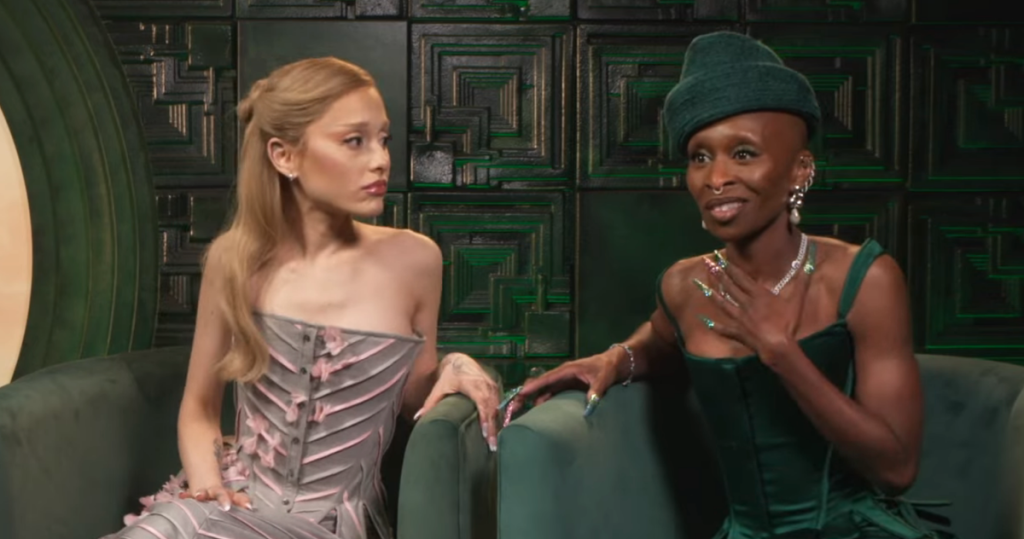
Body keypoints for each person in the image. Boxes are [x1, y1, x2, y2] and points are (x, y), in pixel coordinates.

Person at [504, 31, 954, 538]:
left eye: (743, 154)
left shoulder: (865, 278)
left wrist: (782, 354)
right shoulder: (684, 285)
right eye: (700, 157)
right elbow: (658, 344)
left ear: (799, 170)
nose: (716, 178)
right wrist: (615, 359)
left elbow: (896, 470)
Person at [103, 57, 501, 539]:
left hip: (334, 523)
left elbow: (414, 397)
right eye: (354, 141)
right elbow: (200, 407)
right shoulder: (234, 259)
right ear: (284, 156)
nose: (380, 159)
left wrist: (455, 363)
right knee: (172, 527)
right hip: (225, 508)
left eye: (383, 139)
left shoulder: (415, 260)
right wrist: (210, 488)